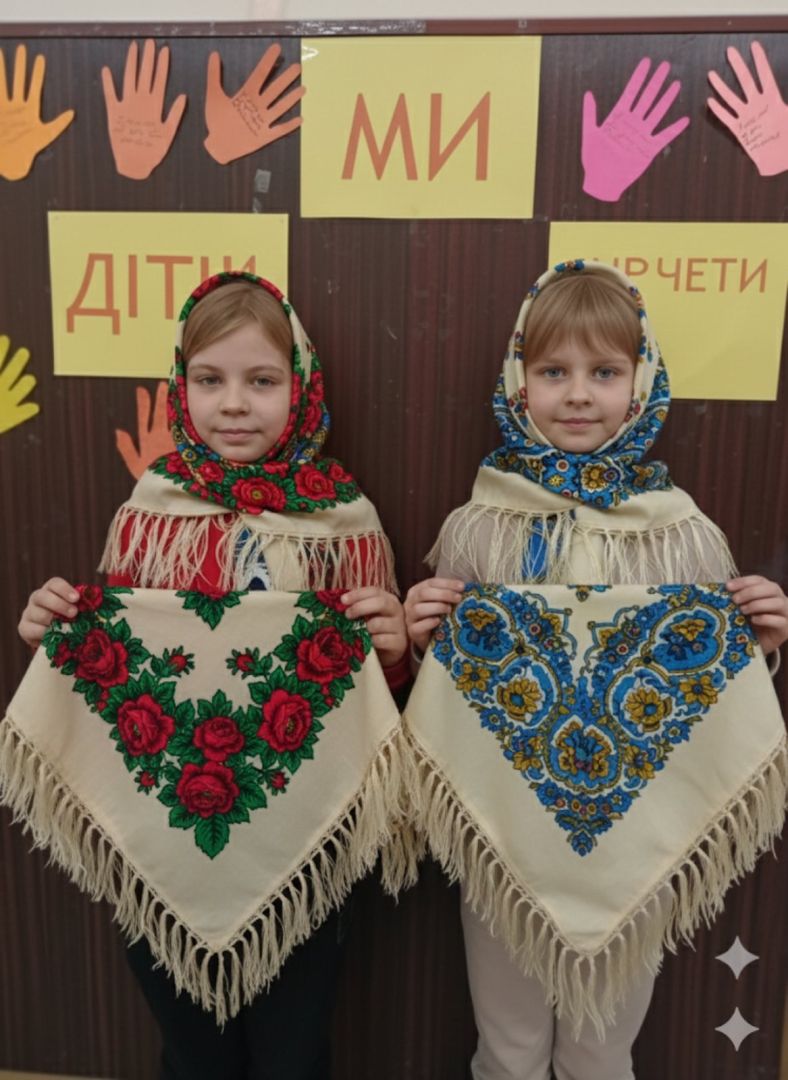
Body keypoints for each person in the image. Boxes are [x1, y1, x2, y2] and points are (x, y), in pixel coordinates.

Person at [18, 271, 409, 1080]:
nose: (234, 404)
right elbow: (116, 681)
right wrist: (56, 637)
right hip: (161, 840)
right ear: (181, 386)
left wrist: (395, 649)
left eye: (262, 381)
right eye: (209, 380)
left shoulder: (345, 519)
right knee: (191, 1051)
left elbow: (378, 703)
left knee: (295, 1050)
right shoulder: (151, 509)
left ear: (301, 388)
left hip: (302, 843)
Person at [404, 259, 788, 1080]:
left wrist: (754, 645)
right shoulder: (479, 525)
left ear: (640, 384)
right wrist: (427, 633)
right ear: (519, 383)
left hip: (638, 843)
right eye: (553, 372)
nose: (578, 395)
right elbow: (453, 691)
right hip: (503, 842)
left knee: (603, 1050)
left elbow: (697, 687)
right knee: (507, 1047)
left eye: (605, 372)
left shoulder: (683, 532)